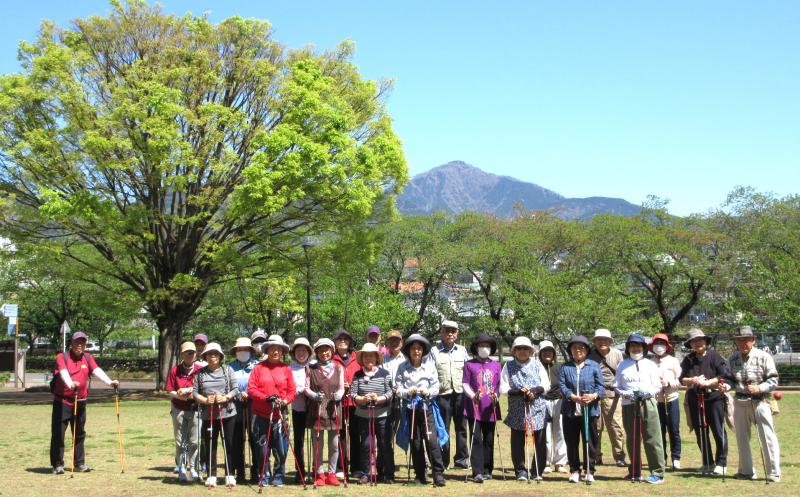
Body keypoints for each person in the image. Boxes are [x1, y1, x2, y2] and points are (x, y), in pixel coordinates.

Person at [50, 331, 120, 474]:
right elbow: (63, 373)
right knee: (59, 433)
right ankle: (58, 464)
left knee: (79, 433)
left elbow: (97, 371)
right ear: (72, 343)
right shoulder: (62, 357)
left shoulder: (87, 358)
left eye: (82, 342)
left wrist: (110, 382)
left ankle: (79, 463)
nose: (80, 345)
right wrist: (71, 384)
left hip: (81, 401)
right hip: (63, 402)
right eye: (77, 342)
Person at [726, 326, 781, 482]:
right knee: (741, 437)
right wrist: (726, 386)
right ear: (736, 342)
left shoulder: (764, 357)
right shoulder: (732, 358)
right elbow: (729, 378)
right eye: (739, 340)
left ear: (753, 340)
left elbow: (773, 379)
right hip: (740, 401)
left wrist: (759, 388)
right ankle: (746, 470)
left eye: (746, 340)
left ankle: (773, 472)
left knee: (767, 437)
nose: (743, 343)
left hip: (760, 401)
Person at [613, 333, 666, 484]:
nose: (635, 348)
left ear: (643, 347)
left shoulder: (650, 364)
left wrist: (647, 393)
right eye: (632, 345)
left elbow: (657, 385)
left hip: (648, 402)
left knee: (652, 437)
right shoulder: (622, 365)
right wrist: (627, 393)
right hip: (629, 404)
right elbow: (617, 386)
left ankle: (657, 472)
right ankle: (635, 471)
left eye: (638, 345)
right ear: (628, 347)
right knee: (632, 438)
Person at [395, 334, 447, 487]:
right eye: (413, 349)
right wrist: (407, 392)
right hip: (410, 409)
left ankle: (438, 473)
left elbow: (436, 387)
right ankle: (419, 474)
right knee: (415, 441)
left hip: (426, 407)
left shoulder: (429, 366)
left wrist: (427, 391)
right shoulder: (402, 367)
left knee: (431, 440)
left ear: (422, 350)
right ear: (408, 351)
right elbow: (398, 388)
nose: (416, 351)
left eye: (419, 348)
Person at [679, 328, 729, 476]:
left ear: (705, 341)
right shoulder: (688, 359)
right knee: (701, 431)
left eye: (700, 340)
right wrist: (691, 380)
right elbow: (681, 378)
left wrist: (710, 383)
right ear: (690, 344)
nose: (697, 343)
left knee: (718, 431)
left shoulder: (714, 356)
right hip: (695, 398)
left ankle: (721, 462)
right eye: (693, 341)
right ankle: (707, 462)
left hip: (714, 398)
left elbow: (723, 374)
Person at [248, 334, 296, 487]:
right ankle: (264, 475)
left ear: (282, 352)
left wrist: (285, 401)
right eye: (272, 349)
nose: (275, 352)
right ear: (267, 350)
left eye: (278, 349)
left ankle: (279, 475)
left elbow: (292, 391)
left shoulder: (286, 369)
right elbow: (251, 389)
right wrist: (266, 398)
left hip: (280, 414)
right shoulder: (258, 368)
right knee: (262, 448)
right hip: (261, 414)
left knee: (281, 449)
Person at [193, 342, 239, 488]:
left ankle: (230, 474)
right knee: (210, 444)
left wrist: (225, 397)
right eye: (210, 354)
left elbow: (235, 389)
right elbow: (195, 393)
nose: (213, 356)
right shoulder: (200, 373)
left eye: (216, 354)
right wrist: (206, 400)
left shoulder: (228, 370)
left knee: (229, 444)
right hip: (209, 415)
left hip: (228, 413)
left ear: (220, 356)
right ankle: (211, 475)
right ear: (205, 356)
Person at [501, 336, 546, 481]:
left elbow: (546, 385)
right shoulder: (508, 366)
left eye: (525, 348)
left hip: (537, 407)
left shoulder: (538, 365)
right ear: (514, 351)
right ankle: (520, 471)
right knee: (517, 441)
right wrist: (519, 391)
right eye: (519, 348)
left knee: (539, 440)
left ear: (530, 351)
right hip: (517, 408)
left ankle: (537, 470)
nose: (522, 351)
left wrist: (534, 390)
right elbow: (503, 387)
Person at [560, 335, 604, 484]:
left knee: (590, 441)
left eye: (581, 348)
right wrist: (572, 396)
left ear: (586, 350)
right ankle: (574, 470)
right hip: (570, 410)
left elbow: (601, 387)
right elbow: (562, 385)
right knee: (571, 442)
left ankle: (590, 470)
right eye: (574, 348)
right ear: (570, 350)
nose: (578, 350)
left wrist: (593, 396)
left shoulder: (594, 366)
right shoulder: (565, 367)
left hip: (589, 410)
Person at [351, 342, 394, 484]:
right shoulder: (357, 375)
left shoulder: (385, 374)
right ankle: (365, 473)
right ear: (362, 358)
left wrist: (379, 399)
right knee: (366, 445)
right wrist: (362, 399)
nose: (368, 358)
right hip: (364, 416)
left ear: (376, 357)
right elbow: (352, 394)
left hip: (382, 415)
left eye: (371, 356)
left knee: (384, 444)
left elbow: (389, 393)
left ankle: (387, 473)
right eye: (366, 356)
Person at [462, 332, 502, 483]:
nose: (484, 348)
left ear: (491, 348)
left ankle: (487, 469)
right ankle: (477, 471)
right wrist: (473, 395)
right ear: (476, 347)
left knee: (489, 439)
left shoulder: (496, 365)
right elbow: (465, 383)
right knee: (476, 438)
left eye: (487, 346)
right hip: (475, 408)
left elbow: (499, 385)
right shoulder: (469, 364)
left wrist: (496, 396)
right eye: (481, 345)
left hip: (490, 408)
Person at [429, 320, 470, 470]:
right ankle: (443, 461)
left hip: (460, 394)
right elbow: (430, 373)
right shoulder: (434, 351)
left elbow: (468, 372)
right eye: (447, 331)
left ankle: (461, 461)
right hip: (442, 395)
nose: (450, 334)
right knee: (443, 428)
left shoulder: (462, 351)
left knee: (461, 428)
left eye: (453, 331)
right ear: (441, 332)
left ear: (457, 334)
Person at [305, 338, 345, 487]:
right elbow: (306, 388)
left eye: (327, 349)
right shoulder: (311, 368)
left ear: (332, 351)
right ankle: (320, 473)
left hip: (334, 409)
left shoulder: (339, 368)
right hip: (318, 410)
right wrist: (314, 395)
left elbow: (341, 387)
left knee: (334, 444)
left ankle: (332, 474)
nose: (324, 353)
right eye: (321, 350)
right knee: (318, 444)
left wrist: (340, 394)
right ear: (316, 352)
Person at [587, 328, 627, 467]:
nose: (602, 342)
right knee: (595, 427)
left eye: (605, 339)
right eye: (599, 339)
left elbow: (622, 374)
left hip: (612, 395)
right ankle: (595, 456)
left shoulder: (617, 354)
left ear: (610, 341)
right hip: (594, 396)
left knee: (616, 426)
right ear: (595, 341)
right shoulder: (589, 355)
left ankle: (619, 456)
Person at [166, 341, 203, 482]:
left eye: (192, 352)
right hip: (178, 409)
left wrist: (188, 390)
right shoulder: (174, 371)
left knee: (195, 441)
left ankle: (193, 467)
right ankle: (181, 467)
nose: (190, 355)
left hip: (196, 409)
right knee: (180, 441)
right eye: (187, 352)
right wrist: (179, 395)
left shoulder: (200, 370)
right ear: (182, 354)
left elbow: (202, 389)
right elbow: (170, 390)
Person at [649, 333, 682, 470]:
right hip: (657, 401)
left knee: (673, 429)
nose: (659, 347)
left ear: (667, 346)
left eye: (662, 344)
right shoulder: (650, 362)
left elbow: (680, 380)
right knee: (659, 431)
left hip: (671, 399)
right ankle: (662, 458)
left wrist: (668, 384)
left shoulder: (673, 361)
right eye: (657, 344)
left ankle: (676, 458)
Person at [332, 329, 361, 478]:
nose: (342, 341)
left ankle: (356, 467)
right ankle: (341, 467)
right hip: (339, 403)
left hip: (355, 402)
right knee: (340, 435)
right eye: (339, 339)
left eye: (345, 339)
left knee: (355, 435)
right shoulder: (331, 358)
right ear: (335, 343)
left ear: (350, 342)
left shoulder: (357, 358)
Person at [228, 337, 258, 483]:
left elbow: (260, 384)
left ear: (250, 351)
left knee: (254, 438)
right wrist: (238, 394)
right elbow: (228, 385)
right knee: (237, 439)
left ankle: (256, 471)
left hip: (254, 405)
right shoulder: (230, 367)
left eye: (245, 349)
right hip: (235, 405)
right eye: (239, 349)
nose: (242, 352)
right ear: (236, 352)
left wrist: (250, 393)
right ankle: (239, 472)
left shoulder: (257, 366)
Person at [539, 340, 567, 473]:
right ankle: (546, 462)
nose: (547, 353)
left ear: (554, 353)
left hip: (558, 401)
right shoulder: (536, 367)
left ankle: (560, 462)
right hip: (542, 401)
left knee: (560, 431)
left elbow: (565, 384)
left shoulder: (560, 367)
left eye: (550, 351)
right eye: (544, 351)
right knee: (545, 432)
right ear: (539, 353)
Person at [381, 329, 405, 475]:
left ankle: (422, 464)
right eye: (391, 340)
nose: (394, 343)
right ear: (387, 343)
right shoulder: (382, 359)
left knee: (409, 432)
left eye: (397, 340)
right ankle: (386, 466)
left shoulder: (406, 359)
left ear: (401, 342)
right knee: (386, 435)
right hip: (386, 400)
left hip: (403, 399)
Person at [289, 337, 313, 484]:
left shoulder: (314, 366)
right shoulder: (290, 368)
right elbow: (288, 387)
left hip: (314, 409)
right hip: (298, 409)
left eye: (304, 350)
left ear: (309, 352)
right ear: (294, 353)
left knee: (316, 440)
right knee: (299, 441)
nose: (301, 353)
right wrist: (298, 390)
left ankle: (317, 471)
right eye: (298, 350)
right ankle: (300, 472)